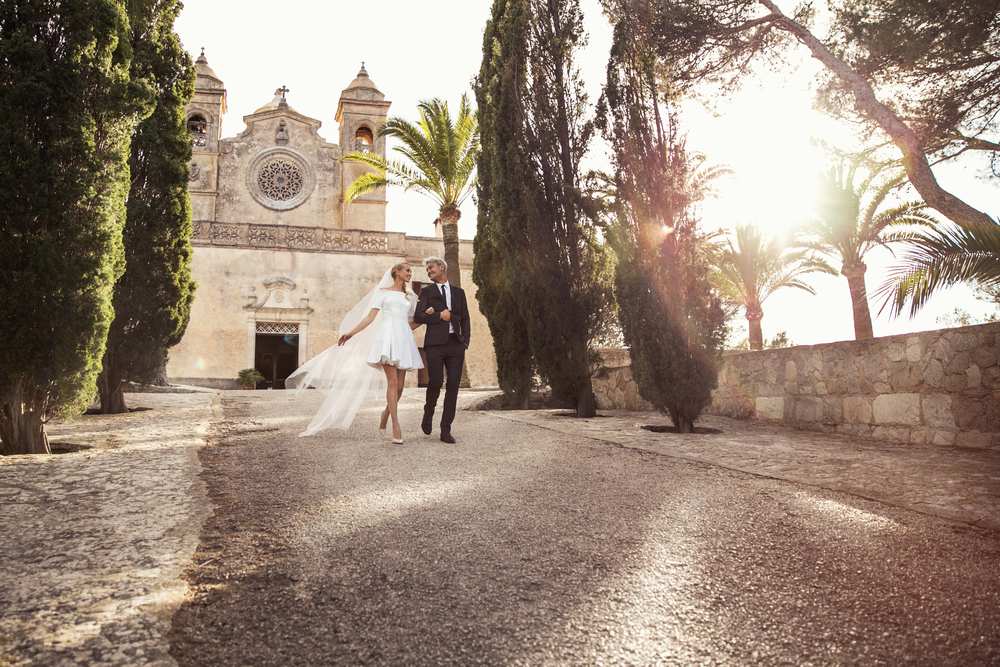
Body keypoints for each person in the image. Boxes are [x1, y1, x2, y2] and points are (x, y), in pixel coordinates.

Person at [286, 261, 424, 443]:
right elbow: (370, 317)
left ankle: (385, 413)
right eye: (407, 270)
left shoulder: (410, 296)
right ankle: (395, 425)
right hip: (387, 337)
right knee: (392, 382)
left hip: (403, 338)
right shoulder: (383, 293)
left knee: (399, 386)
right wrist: (351, 333)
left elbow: (411, 323)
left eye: (410, 271)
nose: (410, 273)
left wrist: (427, 318)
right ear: (397, 272)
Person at [414, 256, 471, 443]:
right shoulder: (426, 291)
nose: (429, 271)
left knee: (453, 386)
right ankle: (428, 412)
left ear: (441, 267)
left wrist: (465, 341)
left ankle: (445, 429)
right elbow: (419, 316)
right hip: (435, 345)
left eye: (431, 268)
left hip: (456, 345)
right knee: (435, 382)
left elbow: (465, 319)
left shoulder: (459, 292)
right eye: (427, 270)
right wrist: (439, 316)